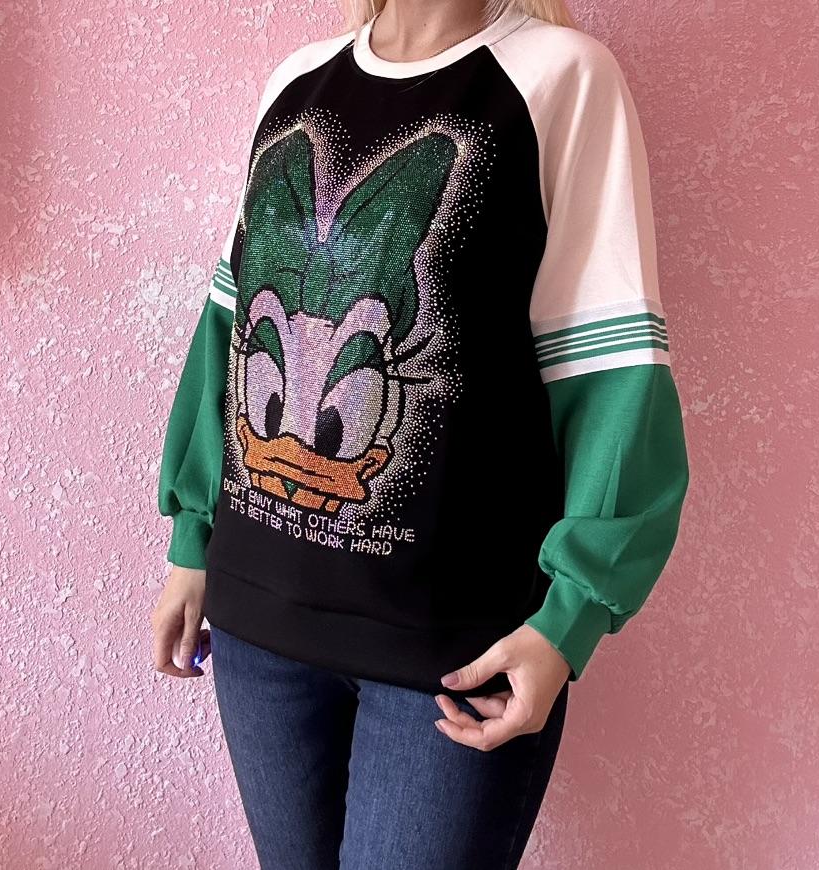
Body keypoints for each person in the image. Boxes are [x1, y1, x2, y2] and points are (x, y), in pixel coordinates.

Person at [151, 0, 690, 866]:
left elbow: (610, 369)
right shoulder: (296, 82)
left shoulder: (561, 77)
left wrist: (571, 618)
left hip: (453, 654)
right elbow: (231, 330)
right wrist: (192, 543)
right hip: (257, 627)